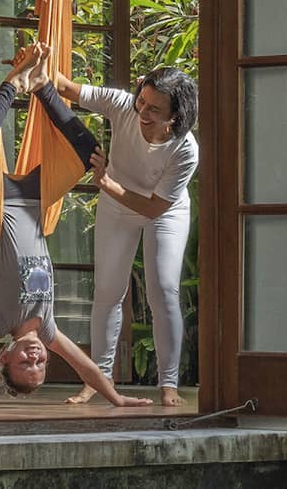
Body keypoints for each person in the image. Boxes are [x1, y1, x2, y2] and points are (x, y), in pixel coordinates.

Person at [0, 43, 151, 410]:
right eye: (41, 364)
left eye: (25, 364)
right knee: (89, 152)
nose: (35, 357)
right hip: (34, 201)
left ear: (4, 359)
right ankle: (43, 84)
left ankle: (13, 82)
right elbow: (88, 368)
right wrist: (118, 400)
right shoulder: (47, 329)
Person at [53, 64, 199, 408]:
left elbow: (153, 208)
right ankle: (98, 380)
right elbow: (66, 87)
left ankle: (168, 383)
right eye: (142, 102)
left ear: (175, 117)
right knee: (107, 289)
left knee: (163, 291)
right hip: (117, 206)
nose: (142, 112)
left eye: (154, 109)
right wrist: (39, 64)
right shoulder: (122, 105)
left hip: (164, 212)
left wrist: (106, 184)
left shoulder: (186, 150)